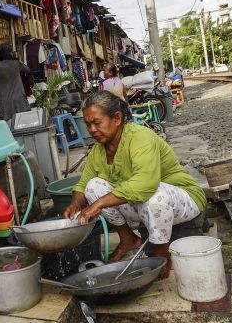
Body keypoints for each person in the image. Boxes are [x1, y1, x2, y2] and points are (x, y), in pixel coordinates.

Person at [63, 91, 206, 279]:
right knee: (93, 186)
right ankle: (128, 239)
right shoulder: (98, 151)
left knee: (154, 195)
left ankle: (161, 252)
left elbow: (145, 184)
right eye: (88, 125)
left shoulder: (140, 137)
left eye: (97, 123)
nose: (92, 130)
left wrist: (96, 205)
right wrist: (75, 203)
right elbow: (82, 186)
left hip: (182, 201)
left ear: (116, 118)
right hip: (143, 206)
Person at [0, 44, 31, 121]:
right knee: (23, 123)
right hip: (19, 100)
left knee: (9, 126)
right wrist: (17, 59)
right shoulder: (16, 64)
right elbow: (27, 69)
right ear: (10, 53)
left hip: (4, 102)